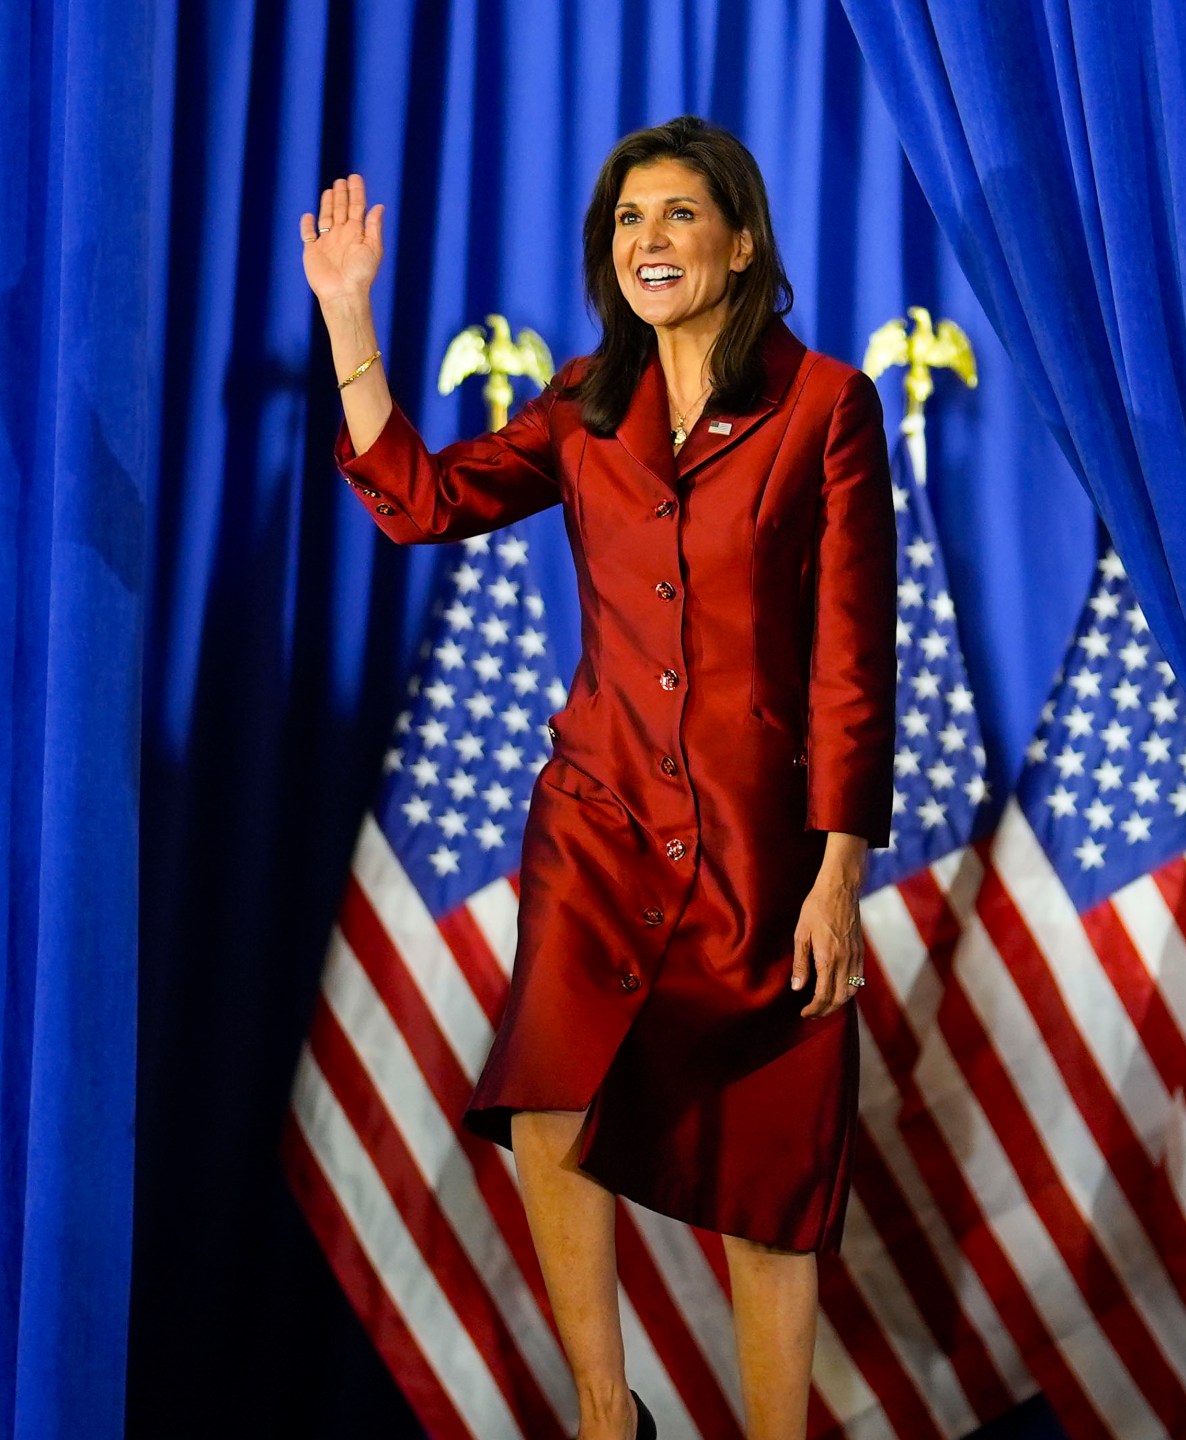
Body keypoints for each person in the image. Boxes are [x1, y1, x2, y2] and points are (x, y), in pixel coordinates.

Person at [301, 117, 896, 1440]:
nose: (651, 242)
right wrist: (351, 322)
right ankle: (601, 1415)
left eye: (680, 215)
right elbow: (419, 502)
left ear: (742, 245)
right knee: (548, 1094)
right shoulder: (582, 405)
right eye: (630, 222)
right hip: (599, 820)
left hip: (763, 854)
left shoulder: (826, 407)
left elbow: (855, 658)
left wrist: (838, 868)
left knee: (764, 1176)